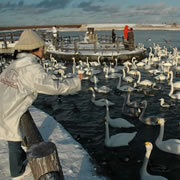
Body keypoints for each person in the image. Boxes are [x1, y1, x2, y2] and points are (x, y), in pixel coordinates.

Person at [0, 29, 81, 179]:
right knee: (13, 138)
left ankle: (19, 163)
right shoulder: (31, 68)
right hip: (10, 108)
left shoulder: (16, 63)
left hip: (4, 104)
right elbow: (52, 87)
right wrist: (76, 82)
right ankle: (17, 172)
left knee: (13, 134)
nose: (44, 50)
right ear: (34, 49)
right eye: (42, 47)